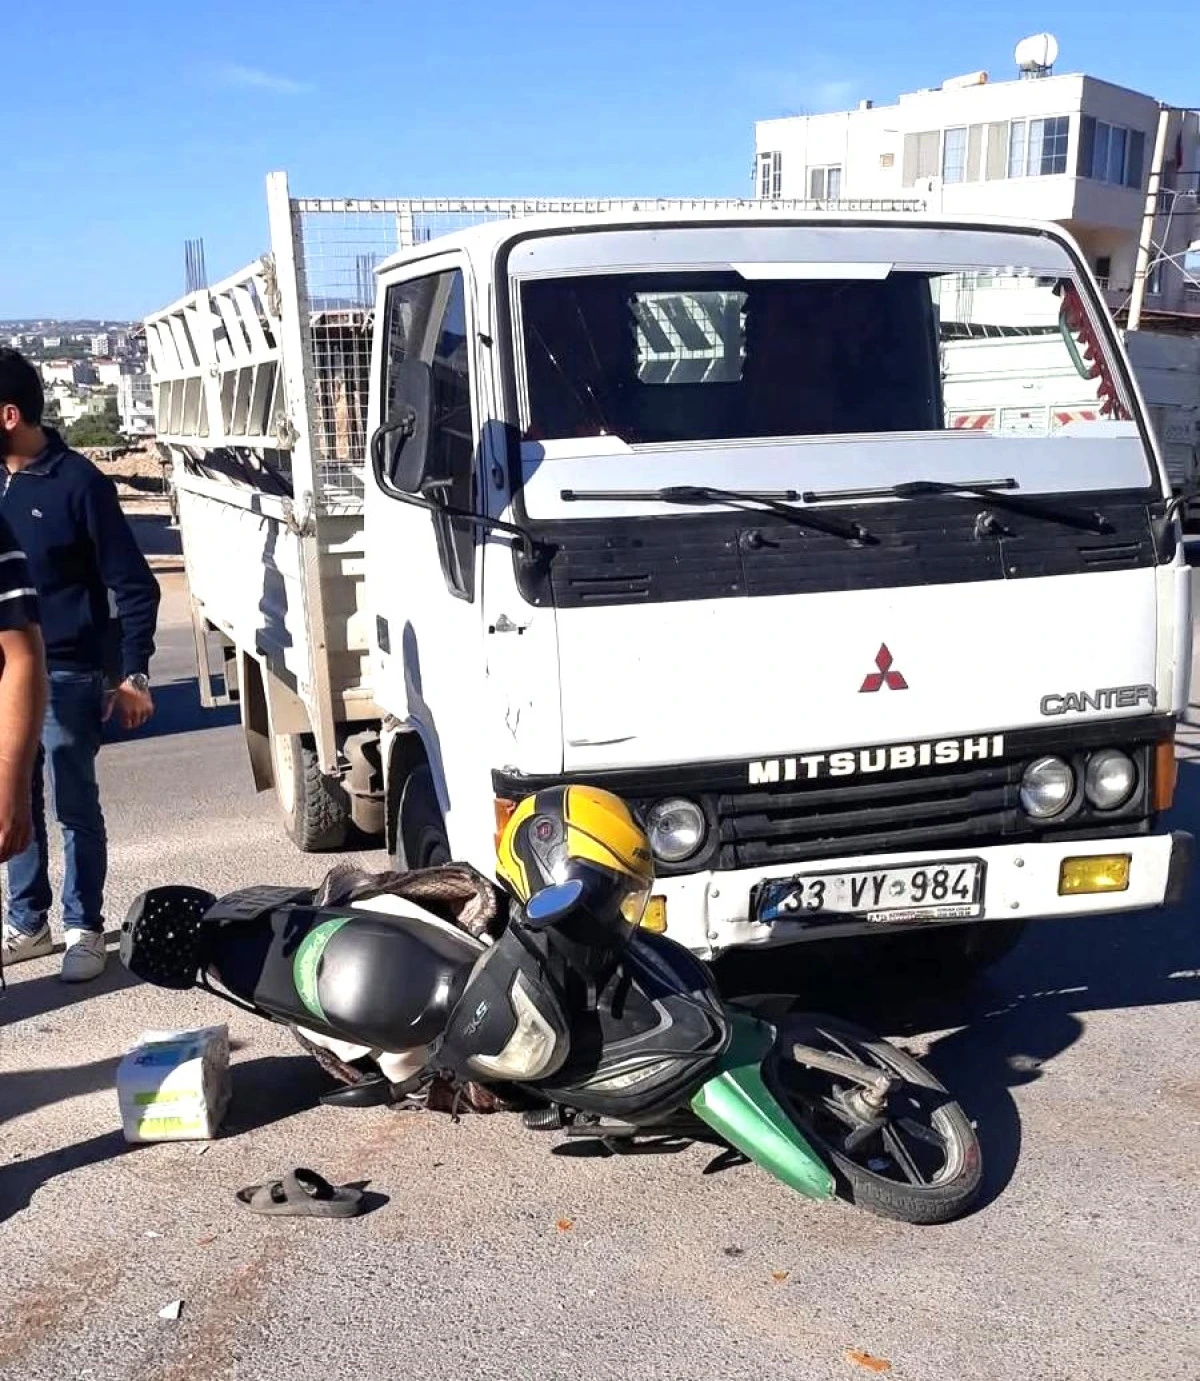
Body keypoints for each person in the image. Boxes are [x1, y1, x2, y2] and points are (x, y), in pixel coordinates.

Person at [0, 348, 161, 982]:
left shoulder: (80, 485)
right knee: (14, 802)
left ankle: (83, 926)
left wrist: (133, 673)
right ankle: (28, 921)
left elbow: (134, 585)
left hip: (67, 675)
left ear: (9, 414)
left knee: (73, 805)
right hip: (3, 677)